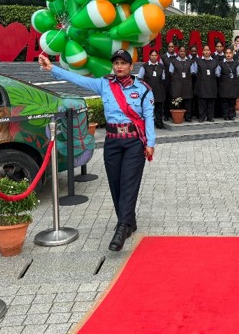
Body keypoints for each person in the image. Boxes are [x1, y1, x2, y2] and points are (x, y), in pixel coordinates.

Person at [39, 50, 154, 252]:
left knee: (129, 182)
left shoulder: (143, 89)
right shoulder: (104, 84)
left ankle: (121, 228)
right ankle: (129, 220)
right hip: (112, 141)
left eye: (123, 63)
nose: (119, 66)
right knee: (115, 184)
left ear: (131, 66)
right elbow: (77, 79)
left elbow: (149, 117)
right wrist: (52, 69)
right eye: (116, 63)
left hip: (134, 142)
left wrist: (150, 143)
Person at [138, 49, 166, 129]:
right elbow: (139, 78)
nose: (154, 57)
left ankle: (159, 123)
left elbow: (163, 78)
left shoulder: (161, 66)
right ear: (149, 56)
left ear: (157, 56)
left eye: (155, 55)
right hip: (148, 91)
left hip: (159, 90)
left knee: (159, 108)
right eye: (152, 55)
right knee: (149, 109)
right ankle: (149, 124)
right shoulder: (145, 66)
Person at [169, 45, 196, 121]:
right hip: (177, 85)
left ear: (186, 52)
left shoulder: (190, 62)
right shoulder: (174, 61)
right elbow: (171, 72)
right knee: (177, 101)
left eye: (184, 51)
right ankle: (177, 118)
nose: (182, 53)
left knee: (187, 101)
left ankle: (188, 117)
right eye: (181, 51)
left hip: (187, 84)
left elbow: (192, 72)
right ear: (178, 52)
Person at [195, 45, 219, 121]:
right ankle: (202, 117)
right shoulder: (198, 61)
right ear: (202, 52)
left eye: (208, 50)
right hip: (201, 85)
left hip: (212, 85)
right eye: (205, 50)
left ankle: (210, 117)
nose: (206, 52)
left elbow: (217, 73)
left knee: (211, 102)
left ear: (210, 52)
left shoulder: (215, 62)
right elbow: (194, 72)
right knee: (202, 102)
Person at [216, 47, 239, 120]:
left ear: (232, 54)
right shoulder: (221, 63)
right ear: (224, 54)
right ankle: (225, 115)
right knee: (225, 102)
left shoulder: (236, 63)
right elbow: (217, 74)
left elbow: (238, 73)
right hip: (224, 86)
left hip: (233, 86)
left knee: (232, 102)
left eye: (230, 53)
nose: (228, 55)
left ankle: (232, 115)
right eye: (227, 53)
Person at [161, 42, 178, 121]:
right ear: (167, 47)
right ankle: (166, 115)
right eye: (169, 46)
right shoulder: (163, 57)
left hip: (177, 81)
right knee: (167, 97)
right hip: (167, 80)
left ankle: (174, 114)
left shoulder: (177, 56)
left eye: (172, 46)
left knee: (175, 97)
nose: (171, 48)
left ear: (174, 47)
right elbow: (161, 69)